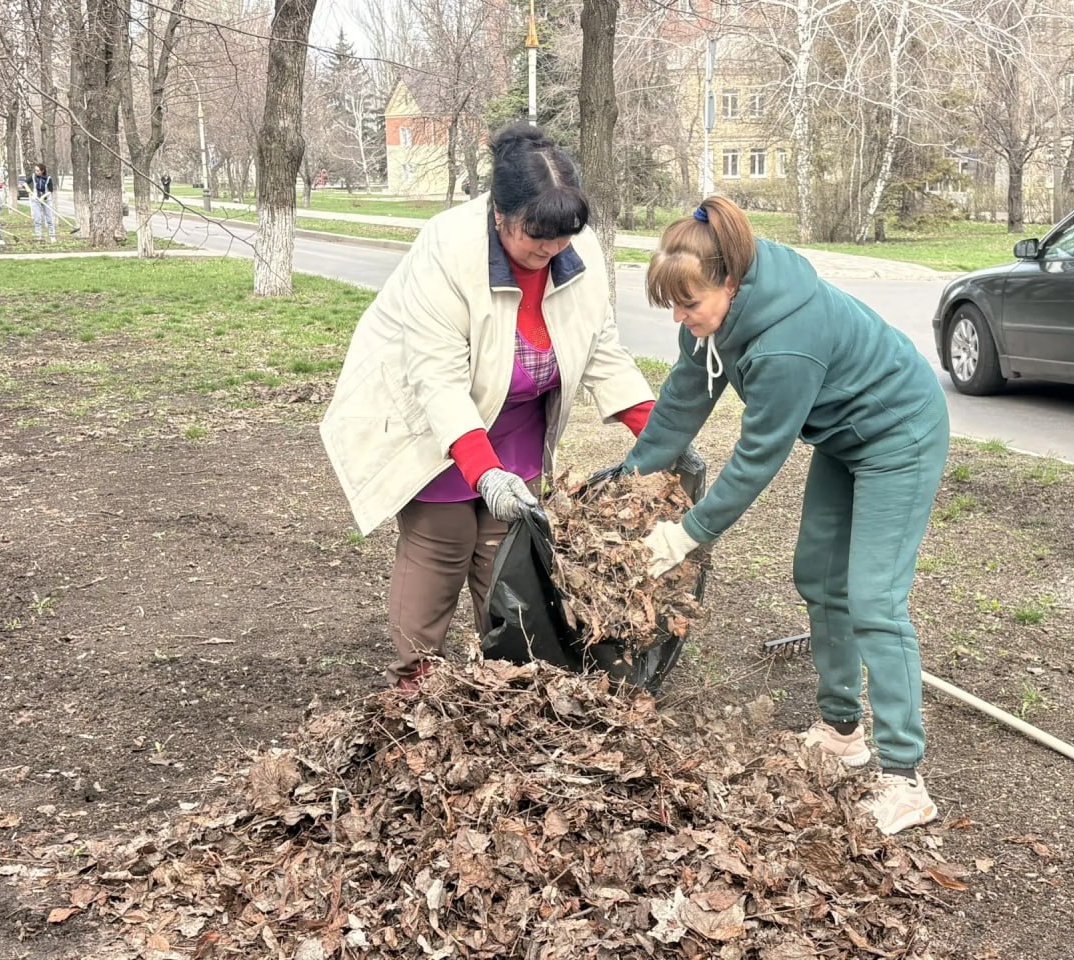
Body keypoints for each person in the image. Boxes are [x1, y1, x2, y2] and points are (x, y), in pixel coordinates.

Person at [621, 195, 950, 836]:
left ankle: (904, 779)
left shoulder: (785, 345)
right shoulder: (714, 317)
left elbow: (756, 458)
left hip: (900, 435)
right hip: (845, 439)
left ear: (730, 283)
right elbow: (681, 402)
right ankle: (841, 732)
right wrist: (628, 480)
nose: (681, 319)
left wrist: (687, 534)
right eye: (673, 307)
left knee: (874, 599)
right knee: (819, 577)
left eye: (689, 305)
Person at [321, 123, 657, 694]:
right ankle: (416, 681)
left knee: (509, 551)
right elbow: (438, 379)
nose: (550, 250)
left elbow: (601, 348)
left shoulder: (577, 251)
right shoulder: (449, 250)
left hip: (517, 420)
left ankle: (506, 677)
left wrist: (658, 432)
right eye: (535, 236)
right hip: (432, 420)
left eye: (563, 237)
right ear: (499, 214)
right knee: (443, 541)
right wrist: (481, 470)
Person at [31, 164, 57, 242]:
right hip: (36, 201)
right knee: (37, 219)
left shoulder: (48, 178)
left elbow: (50, 190)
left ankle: (52, 236)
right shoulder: (33, 176)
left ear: (42, 171)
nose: (36, 172)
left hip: (46, 201)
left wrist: (43, 197)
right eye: (35, 170)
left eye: (38, 170)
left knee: (49, 219)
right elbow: (25, 183)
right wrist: (31, 192)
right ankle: (38, 236)